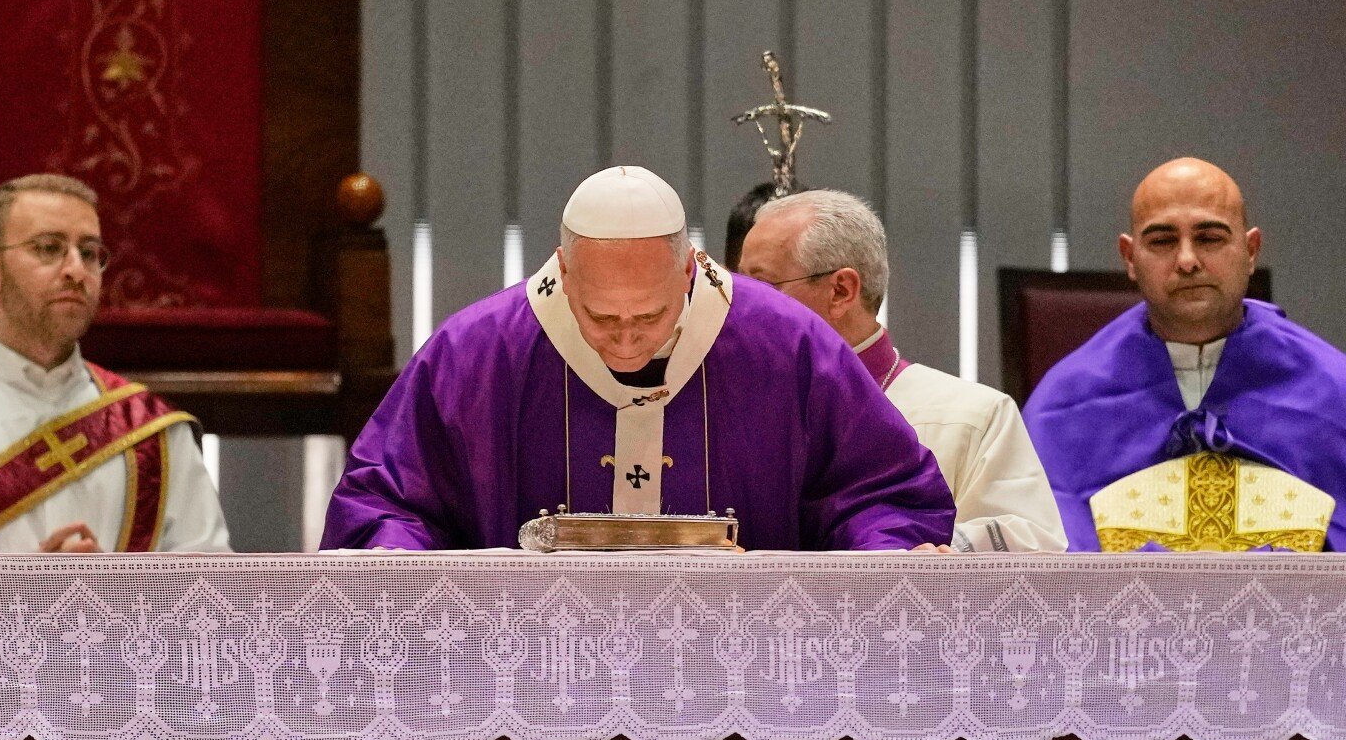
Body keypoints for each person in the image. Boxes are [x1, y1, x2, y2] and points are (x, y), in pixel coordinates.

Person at [324, 166, 955, 551]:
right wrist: (394, 556)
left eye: (650, 317)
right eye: (601, 318)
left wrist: (887, 551)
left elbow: (880, 493)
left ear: (688, 271)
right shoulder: (479, 353)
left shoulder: (784, 343)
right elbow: (388, 502)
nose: (626, 343)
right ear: (563, 272)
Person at [1023, 157, 1346, 551]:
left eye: (1210, 237)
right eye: (1162, 241)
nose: (1187, 260)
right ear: (1130, 257)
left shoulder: (1334, 388)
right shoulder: (1064, 403)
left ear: (1250, 249)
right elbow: (1043, 556)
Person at [0, 174, 230, 553]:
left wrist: (106, 591)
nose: (76, 271)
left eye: (90, 253)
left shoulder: (151, 430)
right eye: (48, 248)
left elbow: (209, 597)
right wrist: (28, 597)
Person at [737, 189, 1066, 553]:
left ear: (841, 291)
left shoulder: (973, 416)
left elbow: (1035, 545)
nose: (743, 304)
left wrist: (940, 554)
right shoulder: (726, 407)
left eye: (760, 285)